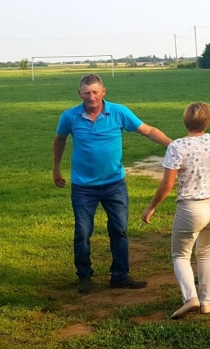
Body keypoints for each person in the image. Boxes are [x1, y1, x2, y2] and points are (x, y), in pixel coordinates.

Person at [53, 73, 172, 293]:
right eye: (86, 93)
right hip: (83, 187)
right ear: (79, 94)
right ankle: (84, 276)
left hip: (114, 184)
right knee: (83, 232)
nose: (91, 97)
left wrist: (174, 145)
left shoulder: (119, 112)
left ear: (103, 92)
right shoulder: (69, 116)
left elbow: (147, 130)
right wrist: (56, 169)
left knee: (119, 230)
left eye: (95, 92)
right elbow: (59, 139)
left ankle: (120, 275)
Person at [141, 102, 210, 319]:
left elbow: (167, 184)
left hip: (191, 208)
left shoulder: (177, 147)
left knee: (180, 254)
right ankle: (207, 301)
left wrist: (151, 207)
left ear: (185, 120)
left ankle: (190, 298)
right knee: (205, 252)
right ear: (208, 121)